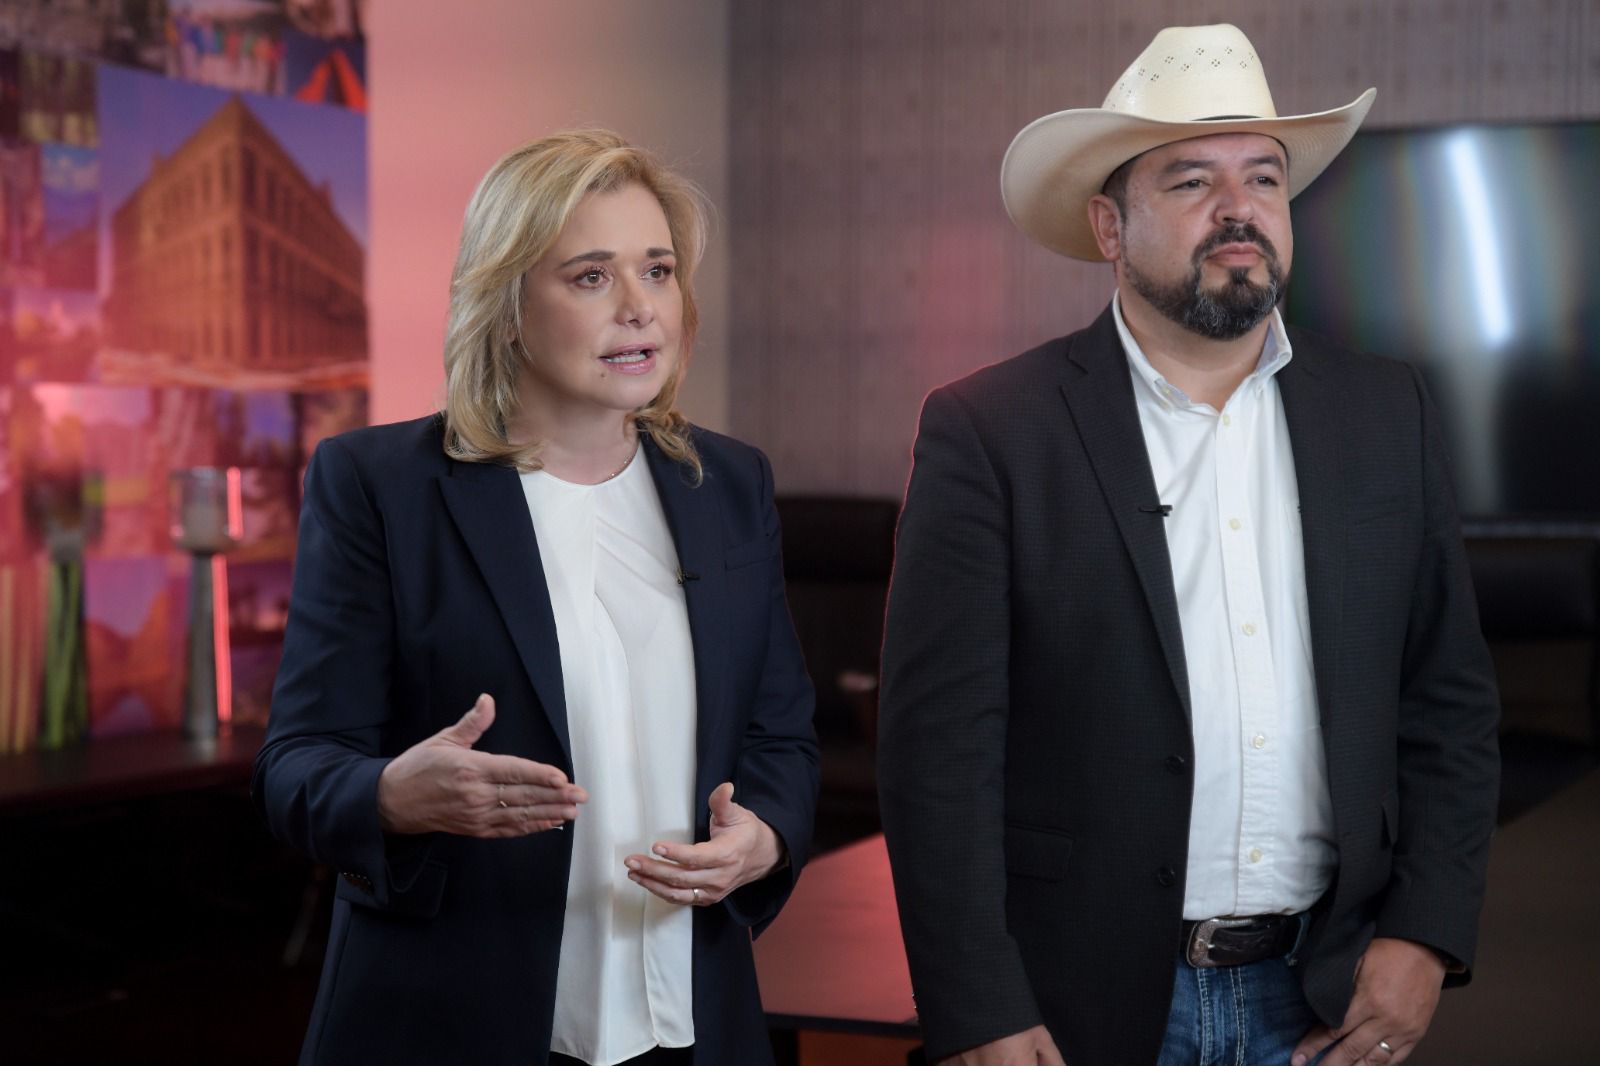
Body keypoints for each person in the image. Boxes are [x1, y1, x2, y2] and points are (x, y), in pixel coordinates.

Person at [877, 24, 1499, 1066]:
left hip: (1326, 994)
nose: (1237, 206)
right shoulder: (991, 431)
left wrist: (1426, 932)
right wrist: (977, 1004)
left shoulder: (1386, 411)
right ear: (1108, 227)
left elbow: (1447, 699)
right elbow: (937, 753)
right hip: (1078, 1003)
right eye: (1191, 180)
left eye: (1263, 177)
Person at [253, 130, 819, 1066]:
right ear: (508, 304)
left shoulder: (726, 483)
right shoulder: (378, 485)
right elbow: (295, 768)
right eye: (592, 277)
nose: (640, 308)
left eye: (658, 270)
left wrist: (764, 838)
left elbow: (780, 735)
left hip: (692, 1014)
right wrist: (394, 794)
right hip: (453, 1016)